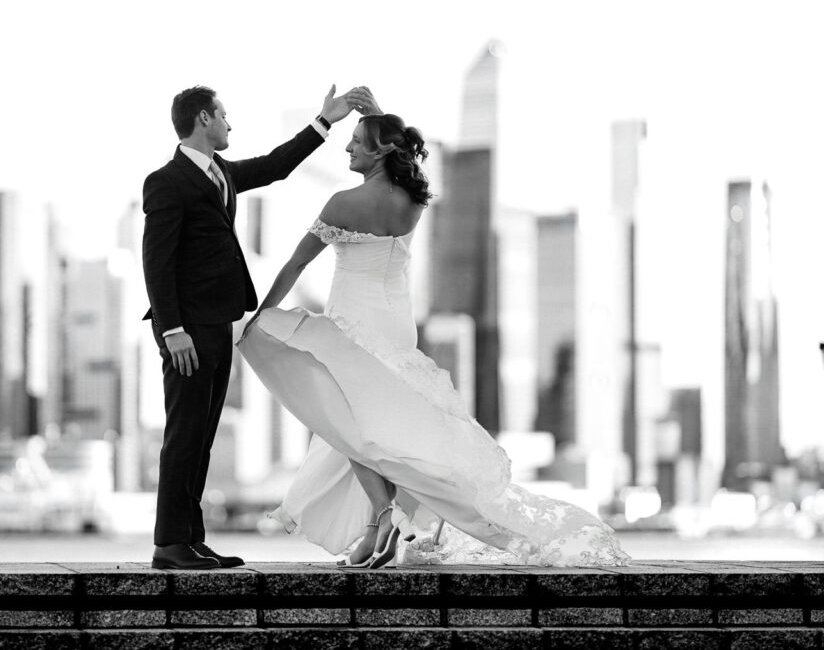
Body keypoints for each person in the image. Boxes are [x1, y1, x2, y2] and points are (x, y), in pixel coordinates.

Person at [237, 110, 631, 568]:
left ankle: (382, 519)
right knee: (376, 427)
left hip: (352, 321)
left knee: (348, 425)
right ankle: (380, 524)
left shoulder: (341, 203)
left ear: (381, 150)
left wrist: (262, 313)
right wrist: (377, 116)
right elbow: (402, 153)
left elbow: (295, 265)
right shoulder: (413, 199)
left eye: (357, 141)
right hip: (396, 322)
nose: (347, 148)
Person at [142, 84, 373, 570]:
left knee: (202, 435)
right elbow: (156, 262)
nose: (230, 123)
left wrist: (323, 122)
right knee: (184, 432)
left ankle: (190, 539)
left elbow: (274, 166)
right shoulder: (166, 181)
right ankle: (169, 544)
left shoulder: (220, 172)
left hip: (217, 321)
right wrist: (171, 329)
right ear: (204, 119)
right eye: (224, 115)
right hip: (186, 330)